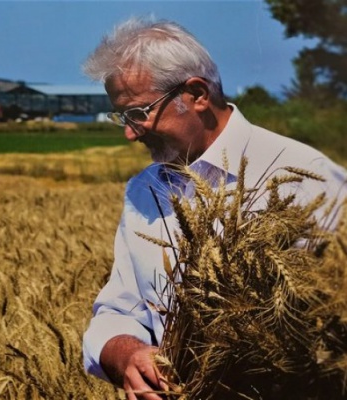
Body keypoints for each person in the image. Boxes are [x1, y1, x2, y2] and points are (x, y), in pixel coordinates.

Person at [80, 17, 347, 400]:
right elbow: (118, 310)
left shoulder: (311, 179)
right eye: (121, 116)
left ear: (197, 94)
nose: (129, 131)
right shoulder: (144, 189)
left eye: (138, 113)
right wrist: (128, 355)